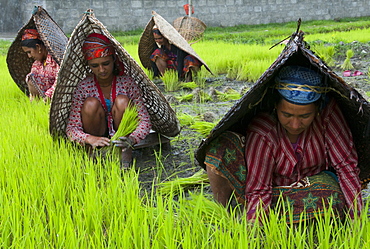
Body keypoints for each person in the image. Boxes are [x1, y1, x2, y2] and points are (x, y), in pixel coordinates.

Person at [205, 65, 363, 223]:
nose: (295, 124)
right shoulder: (264, 130)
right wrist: (255, 233)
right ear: (276, 106)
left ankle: (292, 219)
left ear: (318, 109)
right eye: (286, 114)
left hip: (312, 190)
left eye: (305, 116)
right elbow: (259, 189)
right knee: (219, 149)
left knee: (331, 194)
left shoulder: (328, 117)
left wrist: (357, 221)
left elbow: (346, 168)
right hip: (272, 193)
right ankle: (228, 214)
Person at [66, 33, 152, 166]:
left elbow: (144, 120)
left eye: (106, 63)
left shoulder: (127, 83)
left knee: (122, 101)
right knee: (90, 104)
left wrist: (132, 139)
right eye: (95, 66)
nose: (101, 70)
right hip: (96, 132)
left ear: (114, 60)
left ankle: (124, 152)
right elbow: (72, 128)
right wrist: (90, 139)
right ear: (89, 66)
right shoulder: (84, 87)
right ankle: (92, 152)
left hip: (123, 135)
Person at [21, 28, 59, 101]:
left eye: (29, 52)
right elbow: (33, 84)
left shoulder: (56, 60)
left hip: (57, 97)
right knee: (31, 78)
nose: (29, 56)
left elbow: (59, 82)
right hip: (44, 100)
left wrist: (48, 96)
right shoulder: (36, 64)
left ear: (38, 47)